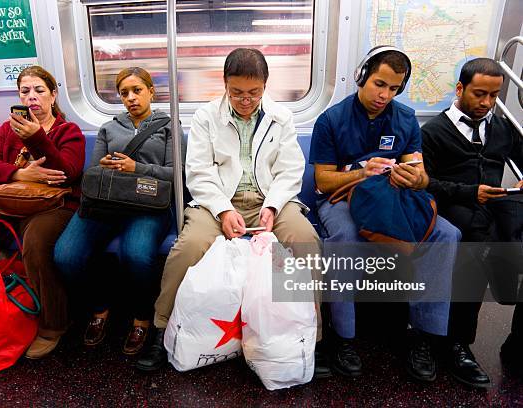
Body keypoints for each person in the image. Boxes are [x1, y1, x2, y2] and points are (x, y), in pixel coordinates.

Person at [135, 48, 320, 372]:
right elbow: (199, 173)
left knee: (305, 240)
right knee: (188, 247)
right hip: (218, 201)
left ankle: (312, 338)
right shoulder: (207, 117)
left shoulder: (282, 117)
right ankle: (161, 329)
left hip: (270, 200)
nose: (245, 101)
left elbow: (290, 171)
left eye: (253, 93)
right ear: (224, 85)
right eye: (236, 93)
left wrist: (273, 206)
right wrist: (223, 210)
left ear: (265, 85)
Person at [310, 46, 461, 381]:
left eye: (393, 89)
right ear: (363, 77)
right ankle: (343, 338)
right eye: (379, 84)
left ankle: (423, 336)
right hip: (341, 198)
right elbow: (323, 180)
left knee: (447, 234)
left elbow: (418, 173)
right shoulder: (331, 119)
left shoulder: (405, 119)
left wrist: (416, 178)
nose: (384, 95)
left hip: (393, 196)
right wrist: (363, 173)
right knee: (346, 237)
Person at [0, 66, 85, 359]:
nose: (32, 97)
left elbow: (66, 173)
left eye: (39, 90)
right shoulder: (6, 128)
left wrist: (37, 137)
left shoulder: (68, 131)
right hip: (9, 202)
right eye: (25, 91)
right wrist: (23, 174)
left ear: (53, 94)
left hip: (54, 205)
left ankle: (53, 324)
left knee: (35, 244)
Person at [54, 67, 184, 354]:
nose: (131, 98)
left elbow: (176, 174)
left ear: (151, 91)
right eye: (124, 93)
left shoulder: (168, 126)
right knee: (66, 255)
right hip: (107, 202)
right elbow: (93, 172)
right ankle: (100, 307)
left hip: (148, 204)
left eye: (137, 90)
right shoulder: (109, 128)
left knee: (136, 254)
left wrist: (135, 168)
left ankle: (141, 317)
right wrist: (108, 168)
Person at [422, 57, 523, 387]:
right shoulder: (434, 132)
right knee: (476, 243)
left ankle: (518, 337)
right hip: (454, 205)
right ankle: (457, 343)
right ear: (460, 89)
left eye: (494, 96)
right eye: (480, 94)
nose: (487, 103)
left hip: (496, 204)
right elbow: (425, 183)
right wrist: (469, 192)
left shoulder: (500, 127)